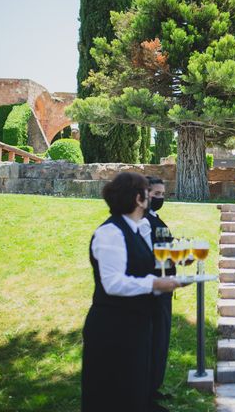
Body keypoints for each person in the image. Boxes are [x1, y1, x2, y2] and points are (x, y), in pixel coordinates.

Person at [81, 172, 186, 412]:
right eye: (147, 193)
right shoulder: (111, 233)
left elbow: (144, 265)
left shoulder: (138, 229)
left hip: (136, 326)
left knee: (134, 391)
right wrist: (154, 284)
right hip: (113, 328)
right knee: (113, 395)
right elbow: (113, 283)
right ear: (139, 199)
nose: (151, 198)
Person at [144, 176, 178, 406]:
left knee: (161, 340)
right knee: (152, 340)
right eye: (156, 194)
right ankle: (146, 391)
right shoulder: (143, 222)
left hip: (165, 287)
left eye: (163, 194)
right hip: (153, 290)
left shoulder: (156, 219)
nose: (160, 198)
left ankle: (154, 386)